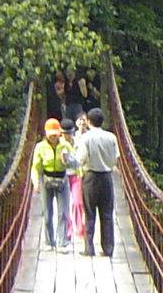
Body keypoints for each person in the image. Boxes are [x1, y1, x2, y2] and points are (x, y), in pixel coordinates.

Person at [75, 107, 120, 256]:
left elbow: (82, 159)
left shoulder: (85, 138)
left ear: (88, 121)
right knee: (107, 214)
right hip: (107, 178)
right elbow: (115, 159)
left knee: (89, 213)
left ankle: (89, 248)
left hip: (90, 178)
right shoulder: (111, 137)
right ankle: (108, 249)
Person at [30, 118, 73, 251]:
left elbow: (74, 163)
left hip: (62, 180)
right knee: (48, 213)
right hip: (46, 181)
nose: (54, 136)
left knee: (63, 213)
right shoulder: (40, 147)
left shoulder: (65, 146)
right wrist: (36, 182)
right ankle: (49, 241)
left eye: (56, 133)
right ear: (46, 133)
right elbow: (35, 167)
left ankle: (62, 242)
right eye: (51, 133)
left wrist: (67, 161)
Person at [61, 118, 87, 246]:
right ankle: (68, 230)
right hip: (63, 176)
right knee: (65, 204)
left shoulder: (78, 141)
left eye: (69, 133)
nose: (67, 136)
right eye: (65, 133)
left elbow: (82, 158)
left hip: (76, 175)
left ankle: (80, 229)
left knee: (77, 203)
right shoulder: (59, 144)